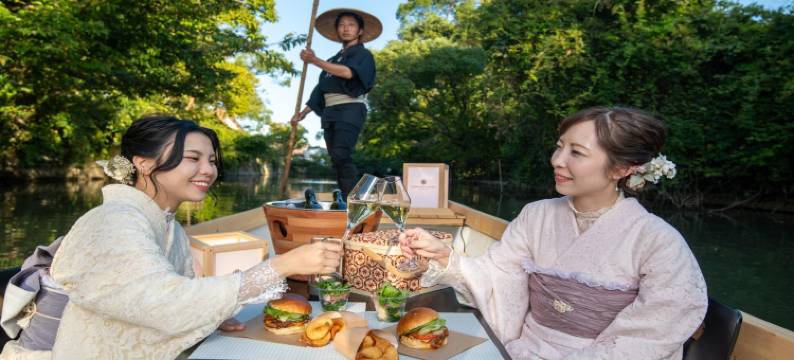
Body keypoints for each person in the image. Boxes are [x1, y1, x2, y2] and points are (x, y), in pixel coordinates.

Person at [0, 115, 342, 359]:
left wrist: (214, 313)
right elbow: (164, 304)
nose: (208, 170)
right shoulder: (112, 222)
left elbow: (178, 297)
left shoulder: (169, 226)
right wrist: (283, 264)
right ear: (144, 164)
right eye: (192, 158)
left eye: (211, 160)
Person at [400, 107, 708, 359]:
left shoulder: (658, 241)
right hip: (524, 352)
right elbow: (497, 276)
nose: (557, 160)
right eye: (560, 147)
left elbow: (653, 333)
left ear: (622, 169)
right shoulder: (537, 215)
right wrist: (446, 257)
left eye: (577, 152)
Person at [291, 8, 381, 198]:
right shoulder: (333, 60)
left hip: (350, 109)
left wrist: (314, 60)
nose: (346, 29)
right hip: (330, 113)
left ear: (360, 31)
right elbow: (321, 89)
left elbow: (348, 73)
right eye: (341, 25)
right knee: (336, 159)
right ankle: (349, 199)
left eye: (351, 25)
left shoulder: (363, 55)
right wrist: (303, 112)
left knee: (342, 154)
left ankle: (357, 201)